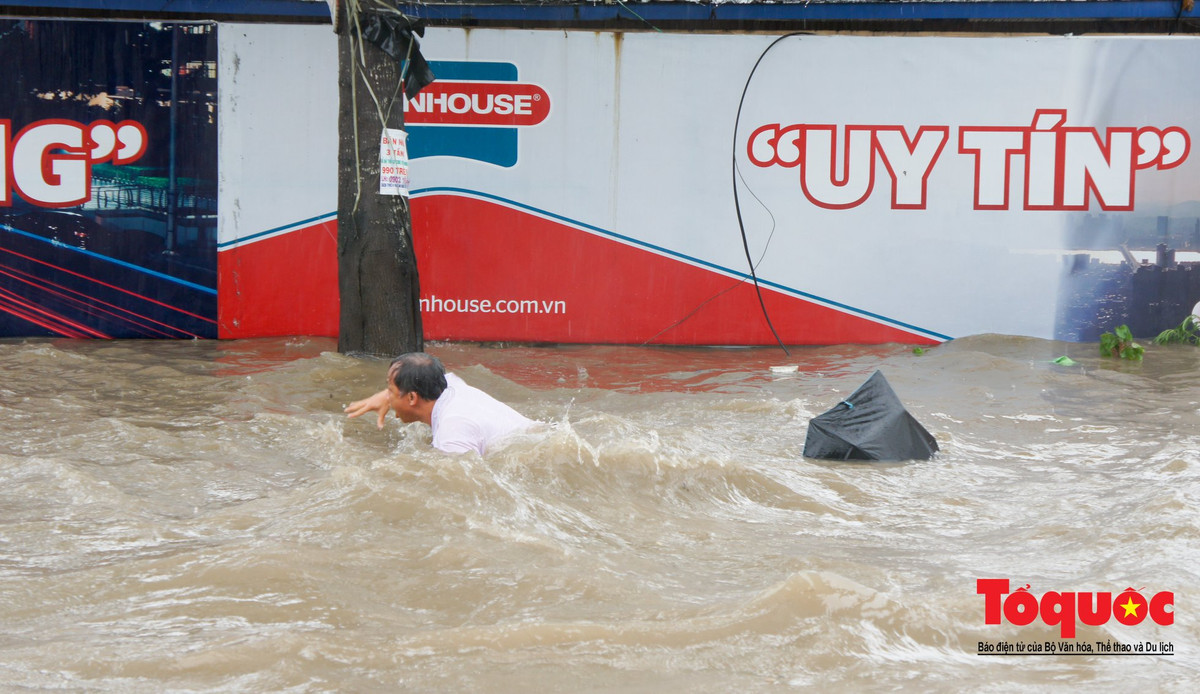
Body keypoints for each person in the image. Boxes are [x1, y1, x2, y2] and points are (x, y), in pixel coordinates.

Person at [345, 352, 534, 455]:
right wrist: (388, 396)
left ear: (411, 398)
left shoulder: (451, 432)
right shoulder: (450, 386)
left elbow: (463, 482)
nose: (388, 397)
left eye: (391, 391)